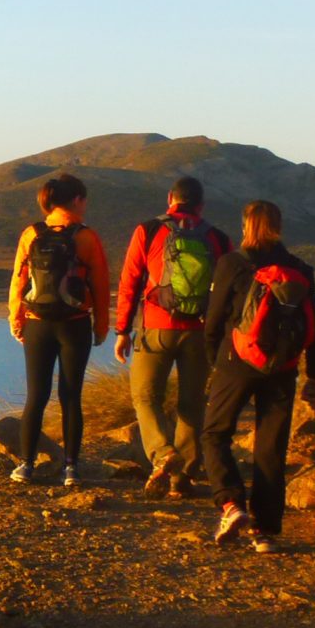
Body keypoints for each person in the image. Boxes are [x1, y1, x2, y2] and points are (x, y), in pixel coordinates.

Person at [203, 199, 315, 554]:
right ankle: (265, 531)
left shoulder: (232, 264)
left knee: (214, 434)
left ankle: (231, 504)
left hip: (236, 363)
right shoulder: (299, 268)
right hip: (283, 368)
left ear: (246, 226)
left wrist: (216, 359)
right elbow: (314, 328)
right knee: (270, 447)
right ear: (280, 226)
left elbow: (213, 320)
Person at [112, 175, 232, 496]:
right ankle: (183, 479)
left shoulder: (149, 230)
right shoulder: (218, 238)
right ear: (201, 205)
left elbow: (130, 282)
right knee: (192, 404)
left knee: (145, 397)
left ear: (170, 199)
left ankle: (163, 453)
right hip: (199, 332)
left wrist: (123, 329)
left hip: (157, 327)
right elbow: (227, 291)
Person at [6, 172, 110, 488]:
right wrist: (102, 326)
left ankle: (26, 465)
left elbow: (18, 281)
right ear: (77, 200)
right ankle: (70, 469)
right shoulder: (86, 236)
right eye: (84, 200)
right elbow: (101, 285)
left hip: (37, 324)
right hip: (74, 325)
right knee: (70, 397)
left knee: (36, 396)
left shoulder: (31, 234)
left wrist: (16, 319)